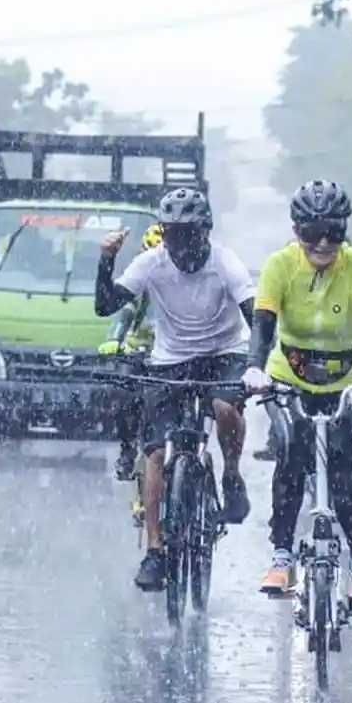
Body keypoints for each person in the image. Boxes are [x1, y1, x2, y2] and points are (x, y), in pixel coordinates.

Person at [242, 179, 352, 621]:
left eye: (334, 231)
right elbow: (263, 323)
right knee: (290, 455)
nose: (324, 242)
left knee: (346, 476)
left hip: (348, 377)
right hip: (291, 375)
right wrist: (255, 367)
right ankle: (281, 557)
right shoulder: (279, 265)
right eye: (313, 233)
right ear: (296, 231)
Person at [95, 189, 254, 592]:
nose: (180, 245)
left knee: (223, 407)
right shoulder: (151, 263)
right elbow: (105, 305)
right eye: (172, 235)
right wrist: (106, 259)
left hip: (224, 352)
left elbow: (256, 316)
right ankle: (155, 550)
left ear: (205, 233)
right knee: (154, 453)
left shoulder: (226, 263)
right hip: (171, 358)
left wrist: (259, 365)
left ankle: (232, 475)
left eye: (189, 234)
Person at [99, 222, 163, 481]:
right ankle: (127, 449)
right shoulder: (139, 280)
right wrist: (114, 339)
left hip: (177, 351)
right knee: (124, 392)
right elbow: (124, 311)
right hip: (141, 349)